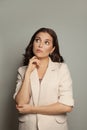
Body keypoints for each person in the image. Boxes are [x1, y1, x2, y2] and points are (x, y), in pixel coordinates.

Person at [13, 27, 74, 130]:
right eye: (37, 40)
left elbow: (66, 106)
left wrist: (32, 109)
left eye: (46, 42)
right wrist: (28, 73)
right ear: (33, 44)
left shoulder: (61, 69)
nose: (40, 45)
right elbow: (21, 103)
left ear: (52, 49)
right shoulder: (22, 70)